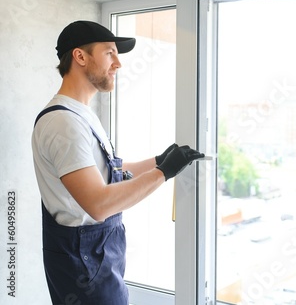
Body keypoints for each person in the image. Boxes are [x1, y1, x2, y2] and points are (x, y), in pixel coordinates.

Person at [31, 20, 204, 305]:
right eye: (110, 53)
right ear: (80, 56)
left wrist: (159, 161)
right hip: (84, 267)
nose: (118, 64)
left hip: (97, 257)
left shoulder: (81, 114)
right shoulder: (63, 122)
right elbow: (98, 204)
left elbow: (107, 174)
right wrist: (163, 173)